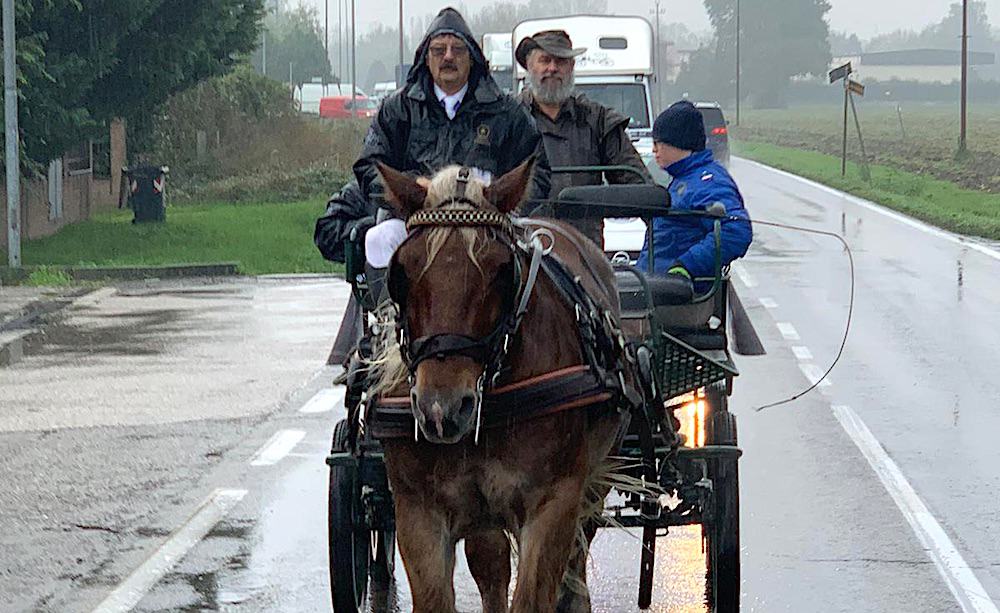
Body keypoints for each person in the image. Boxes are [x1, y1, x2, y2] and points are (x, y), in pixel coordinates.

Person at [354, 7, 550, 268]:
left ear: (472, 59)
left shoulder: (506, 112)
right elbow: (369, 167)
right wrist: (413, 190)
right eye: (439, 50)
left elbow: (538, 172)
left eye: (457, 50)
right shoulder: (398, 109)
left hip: (487, 226)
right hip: (417, 224)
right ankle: (389, 309)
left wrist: (498, 200)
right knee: (379, 238)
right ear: (426, 58)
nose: (448, 57)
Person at [515, 30, 650, 247]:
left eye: (561, 61)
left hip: (585, 256)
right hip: (521, 253)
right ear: (529, 67)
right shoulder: (507, 120)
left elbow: (638, 185)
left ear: (572, 67)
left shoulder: (598, 120)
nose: (552, 68)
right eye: (545, 60)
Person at [636, 101, 752, 289]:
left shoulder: (708, 181)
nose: (654, 150)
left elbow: (736, 230)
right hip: (655, 286)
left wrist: (686, 267)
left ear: (678, 143)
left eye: (658, 143)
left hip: (674, 294)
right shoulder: (684, 179)